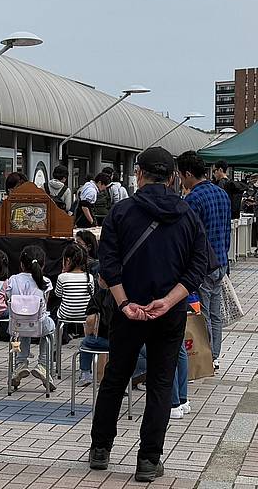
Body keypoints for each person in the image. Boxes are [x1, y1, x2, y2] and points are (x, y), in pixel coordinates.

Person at [89, 146, 208, 483]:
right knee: (159, 384)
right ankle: (148, 459)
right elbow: (198, 267)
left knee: (115, 377)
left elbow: (108, 266)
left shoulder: (121, 212)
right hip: (168, 313)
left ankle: (100, 449)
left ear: (139, 174)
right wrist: (169, 302)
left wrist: (126, 304)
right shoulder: (187, 215)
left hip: (128, 311)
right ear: (172, 177)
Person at [177, 151, 231, 371]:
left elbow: (188, 236)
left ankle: (206, 355)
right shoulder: (222, 194)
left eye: (181, 175)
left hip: (202, 265)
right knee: (216, 314)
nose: (181, 180)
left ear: (188, 173)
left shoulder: (193, 199)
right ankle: (215, 355)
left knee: (204, 313)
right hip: (221, 261)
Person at [8, 245, 56, 391]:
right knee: (50, 329)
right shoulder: (45, 281)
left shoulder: (12, 279)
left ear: (21, 264)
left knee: (23, 327)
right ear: (42, 264)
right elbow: (45, 304)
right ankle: (43, 365)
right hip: (39, 325)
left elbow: (7, 298)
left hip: (16, 325)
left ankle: (20, 364)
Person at [54, 243, 93, 345]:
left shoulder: (62, 277)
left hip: (66, 314)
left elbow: (58, 294)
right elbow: (92, 294)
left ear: (67, 260)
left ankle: (57, 344)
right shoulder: (90, 277)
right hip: (85, 314)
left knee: (56, 311)